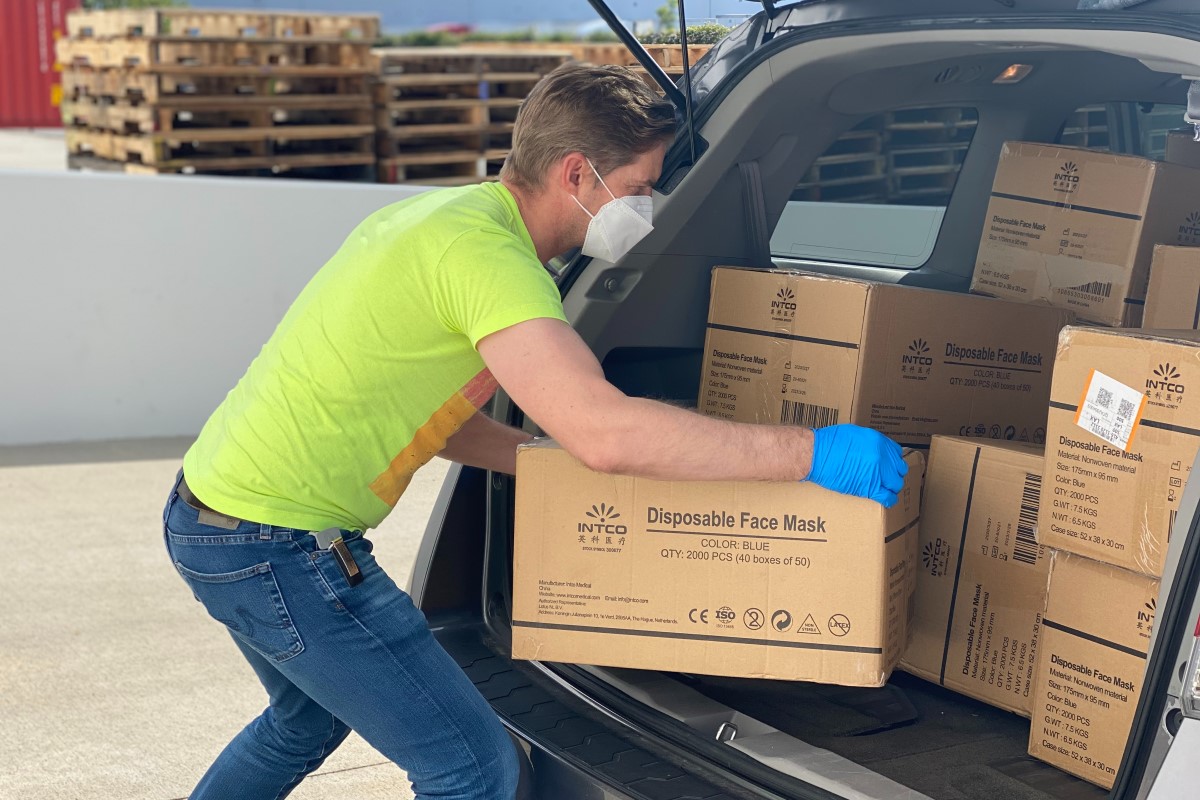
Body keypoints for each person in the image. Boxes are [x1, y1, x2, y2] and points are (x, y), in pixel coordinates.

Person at [162, 62, 908, 800]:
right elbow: (606, 431)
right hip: (282, 548)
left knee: (304, 724)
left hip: (214, 519)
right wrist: (812, 451)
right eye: (642, 186)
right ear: (578, 173)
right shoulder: (490, 260)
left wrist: (552, 467)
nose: (646, 207)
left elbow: (435, 421)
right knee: (474, 771)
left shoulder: (443, 220)